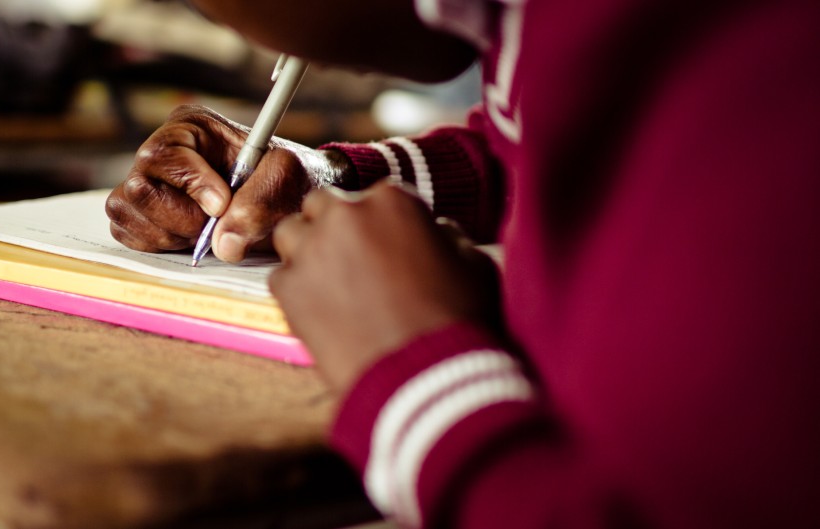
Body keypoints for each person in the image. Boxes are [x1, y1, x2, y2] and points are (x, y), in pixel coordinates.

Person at [105, 0, 820, 527]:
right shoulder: (543, 26)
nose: (235, 29)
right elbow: (538, 150)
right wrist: (325, 182)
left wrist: (417, 375)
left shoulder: (768, 95)